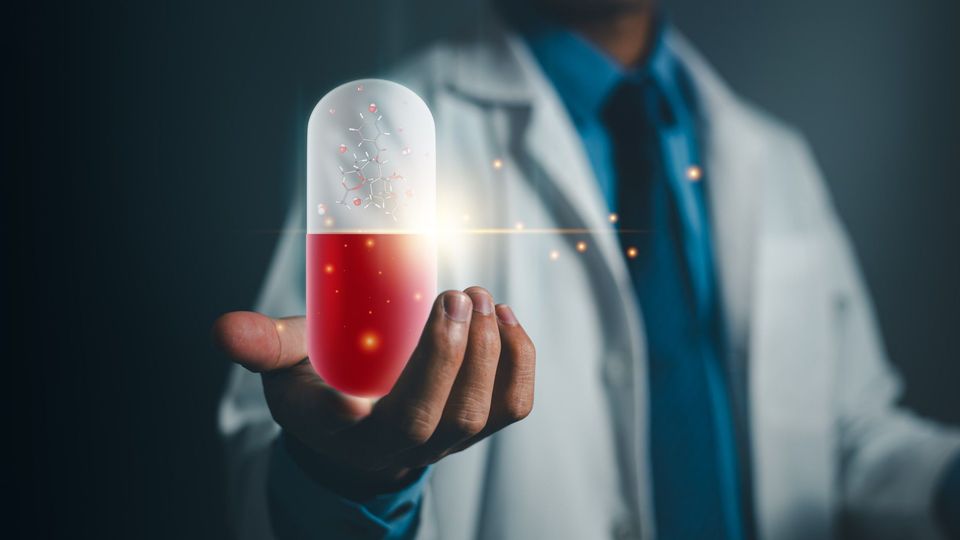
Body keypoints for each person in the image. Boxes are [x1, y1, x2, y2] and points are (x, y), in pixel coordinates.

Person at [214, 0, 960, 538]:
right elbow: (277, 467)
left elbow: (851, 438)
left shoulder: (777, 157)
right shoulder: (383, 139)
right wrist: (352, 480)